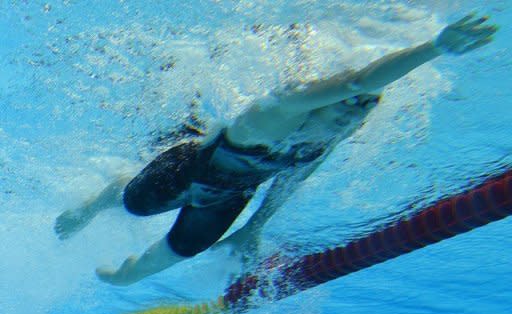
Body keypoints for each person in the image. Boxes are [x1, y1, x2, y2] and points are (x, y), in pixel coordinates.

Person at [54, 14, 497, 286]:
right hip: (191, 168)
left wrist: (254, 229)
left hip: (231, 194)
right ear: (326, 100)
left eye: (366, 109)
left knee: (143, 271)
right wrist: (435, 47)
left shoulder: (325, 136)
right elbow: (359, 81)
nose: (357, 114)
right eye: (351, 106)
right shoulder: (279, 110)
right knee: (134, 203)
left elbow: (291, 180)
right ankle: (97, 202)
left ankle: (124, 276)